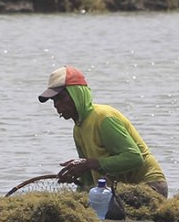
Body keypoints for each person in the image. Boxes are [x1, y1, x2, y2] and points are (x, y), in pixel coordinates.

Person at [38, 65, 169, 201]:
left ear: (76, 94)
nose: (56, 105)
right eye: (54, 100)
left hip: (149, 186)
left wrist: (90, 163)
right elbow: (88, 180)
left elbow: (134, 158)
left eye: (60, 98)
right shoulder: (78, 129)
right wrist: (78, 193)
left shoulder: (104, 118)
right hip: (122, 191)